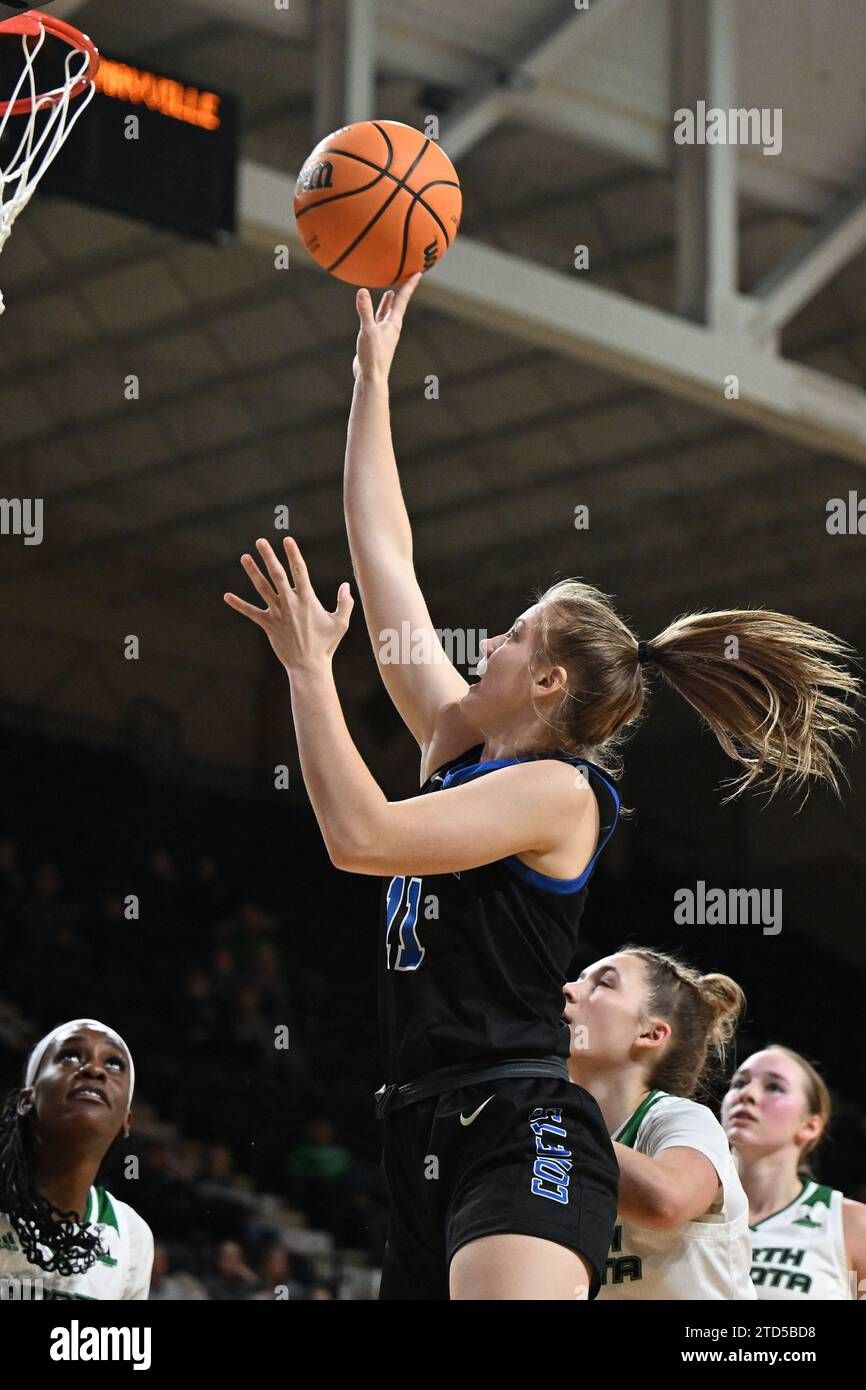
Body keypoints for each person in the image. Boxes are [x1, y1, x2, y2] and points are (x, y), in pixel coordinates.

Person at [224, 273, 861, 1300]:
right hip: (416, 1125)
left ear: (549, 680)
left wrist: (308, 672)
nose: (489, 637)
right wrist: (371, 377)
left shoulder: (562, 793)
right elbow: (385, 552)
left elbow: (358, 835)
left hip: (518, 1125)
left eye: (514, 631)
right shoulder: (454, 739)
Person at [563, 948, 756, 1298]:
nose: (569, 990)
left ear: (651, 1033)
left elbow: (666, 1202)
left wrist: (549, 1117)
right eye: (578, 979)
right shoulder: (552, 1130)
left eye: (602, 984)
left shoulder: (680, 1118)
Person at [0, 1019, 153, 1299]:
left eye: (113, 1064)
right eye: (70, 1056)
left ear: (126, 1121)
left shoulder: (132, 1236)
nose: (94, 1070)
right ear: (26, 1100)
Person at [721, 1045, 866, 1299]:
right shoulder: (684, 1209)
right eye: (739, 1083)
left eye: (774, 1087)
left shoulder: (850, 1224)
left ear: (810, 1126)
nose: (748, 1094)